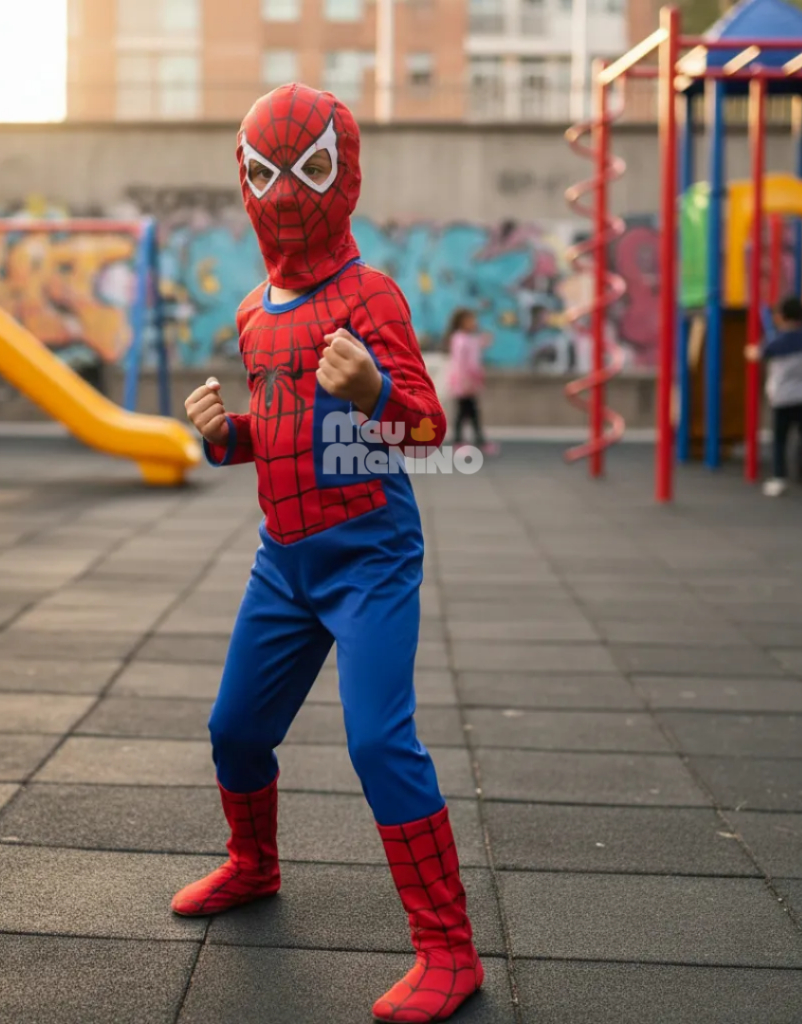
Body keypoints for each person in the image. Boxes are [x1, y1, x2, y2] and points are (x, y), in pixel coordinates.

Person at [178, 83, 484, 1023]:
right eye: (266, 173)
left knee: (379, 740)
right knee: (234, 729)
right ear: (243, 178)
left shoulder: (371, 295)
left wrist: (375, 392)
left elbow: (431, 429)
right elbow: (278, 436)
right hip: (285, 560)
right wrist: (225, 436)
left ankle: (448, 949)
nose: (285, 194)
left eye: (307, 170)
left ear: (342, 174)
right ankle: (253, 863)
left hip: (369, 555)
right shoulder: (253, 313)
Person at [747, 296, 802, 499]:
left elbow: (758, 353)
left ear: (781, 316)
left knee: (780, 440)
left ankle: (779, 478)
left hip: (783, 398)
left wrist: (751, 351)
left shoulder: (777, 340)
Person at [444, 307, 497, 454]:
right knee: (466, 412)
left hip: (470, 382)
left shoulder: (468, 338)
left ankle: (466, 440)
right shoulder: (460, 339)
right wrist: (464, 381)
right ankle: (465, 440)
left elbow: (477, 346)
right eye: (470, 320)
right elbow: (460, 362)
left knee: (468, 412)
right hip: (464, 383)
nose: (474, 323)